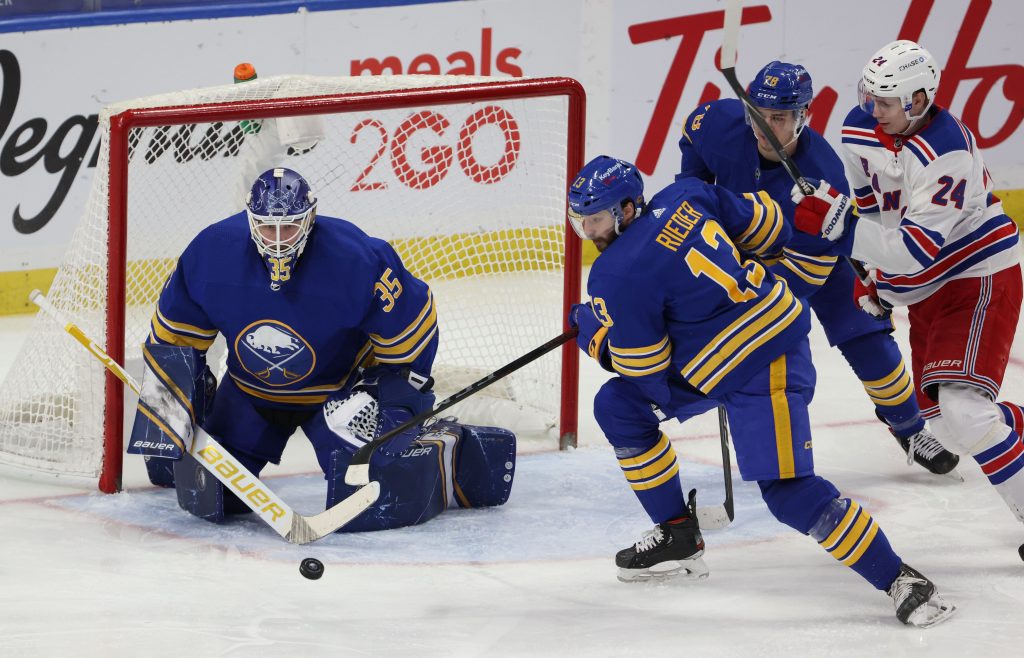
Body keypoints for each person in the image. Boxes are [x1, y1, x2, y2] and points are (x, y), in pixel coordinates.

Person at [567, 155, 954, 627]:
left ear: (628, 209)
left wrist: (596, 335)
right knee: (617, 407)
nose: (589, 231)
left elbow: (646, 367)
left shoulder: (613, 275)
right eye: (581, 220)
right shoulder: (685, 193)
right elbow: (769, 226)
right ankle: (678, 535)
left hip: (761, 363)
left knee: (789, 494)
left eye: (597, 218)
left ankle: (901, 579)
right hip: (735, 347)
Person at [128, 167, 516, 531]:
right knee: (206, 496)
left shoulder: (355, 258)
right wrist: (169, 419)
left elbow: (411, 339)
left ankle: (447, 451)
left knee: (375, 498)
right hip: (250, 394)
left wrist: (396, 404)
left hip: (339, 398)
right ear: (250, 220)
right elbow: (173, 344)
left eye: (290, 226)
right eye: (267, 227)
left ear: (310, 219)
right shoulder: (211, 253)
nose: (278, 239)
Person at [790, 40, 1024, 554]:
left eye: (887, 102)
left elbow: (916, 251)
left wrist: (838, 227)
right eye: (870, 97)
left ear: (919, 100)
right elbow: (876, 215)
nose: (874, 111)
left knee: (965, 416)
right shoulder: (860, 126)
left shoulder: (948, 154)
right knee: (946, 426)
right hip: (929, 287)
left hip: (976, 277)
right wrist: (874, 278)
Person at [676, 60, 958, 477]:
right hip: (741, 254)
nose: (765, 128)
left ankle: (908, 427)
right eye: (759, 115)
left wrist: (752, 297)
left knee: (865, 333)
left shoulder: (824, 177)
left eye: (779, 118)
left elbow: (810, 271)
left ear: (803, 116)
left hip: (810, 258)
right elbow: (692, 134)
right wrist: (695, 194)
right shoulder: (719, 123)